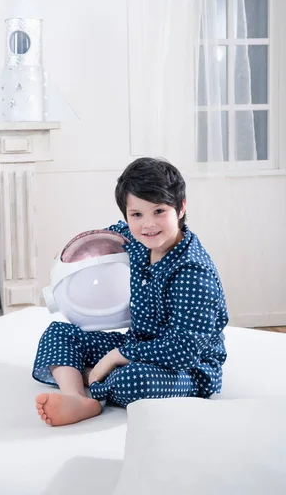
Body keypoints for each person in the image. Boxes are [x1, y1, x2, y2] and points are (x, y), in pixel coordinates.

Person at [32, 157, 228, 426]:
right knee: (59, 332)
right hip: (137, 344)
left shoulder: (193, 272)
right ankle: (76, 396)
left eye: (159, 211)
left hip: (187, 367)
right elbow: (102, 238)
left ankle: (91, 376)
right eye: (137, 214)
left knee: (133, 380)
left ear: (180, 208)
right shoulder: (133, 240)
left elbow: (185, 348)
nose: (148, 224)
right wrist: (67, 261)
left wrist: (115, 357)